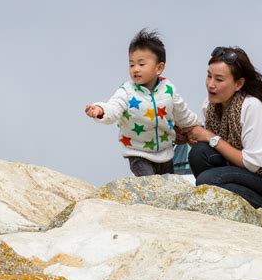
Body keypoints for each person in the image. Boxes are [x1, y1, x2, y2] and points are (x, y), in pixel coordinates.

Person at [183, 46, 262, 212]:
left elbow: (254, 163)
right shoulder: (210, 106)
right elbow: (213, 147)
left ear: (239, 83)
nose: (211, 85)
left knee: (210, 180)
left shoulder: (251, 106)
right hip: (240, 171)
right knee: (198, 153)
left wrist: (211, 137)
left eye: (219, 79)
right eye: (209, 76)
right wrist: (191, 137)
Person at [85, 29, 199, 176]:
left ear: (159, 68)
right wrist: (100, 110)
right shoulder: (127, 91)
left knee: (169, 190)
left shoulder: (168, 90)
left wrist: (197, 126)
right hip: (138, 154)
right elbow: (114, 107)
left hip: (166, 154)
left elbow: (183, 114)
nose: (135, 69)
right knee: (149, 186)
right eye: (131, 64)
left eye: (141, 64)